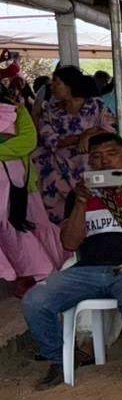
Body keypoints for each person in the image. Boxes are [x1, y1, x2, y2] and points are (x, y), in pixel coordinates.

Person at [23, 134, 122, 387]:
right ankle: (59, 360)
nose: (104, 160)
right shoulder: (80, 193)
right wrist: (81, 203)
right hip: (88, 270)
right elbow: (70, 243)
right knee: (34, 301)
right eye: (96, 156)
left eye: (111, 153)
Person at [0, 96, 65, 294]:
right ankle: (25, 274)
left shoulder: (16, 108)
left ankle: (36, 273)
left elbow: (28, 141)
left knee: (20, 226)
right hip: (12, 179)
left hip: (18, 183)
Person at [34, 66, 114, 224]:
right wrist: (83, 136)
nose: (52, 87)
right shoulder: (51, 111)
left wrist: (88, 136)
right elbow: (51, 140)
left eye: (57, 82)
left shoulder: (96, 105)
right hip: (58, 165)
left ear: (69, 84)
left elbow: (109, 130)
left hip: (91, 162)